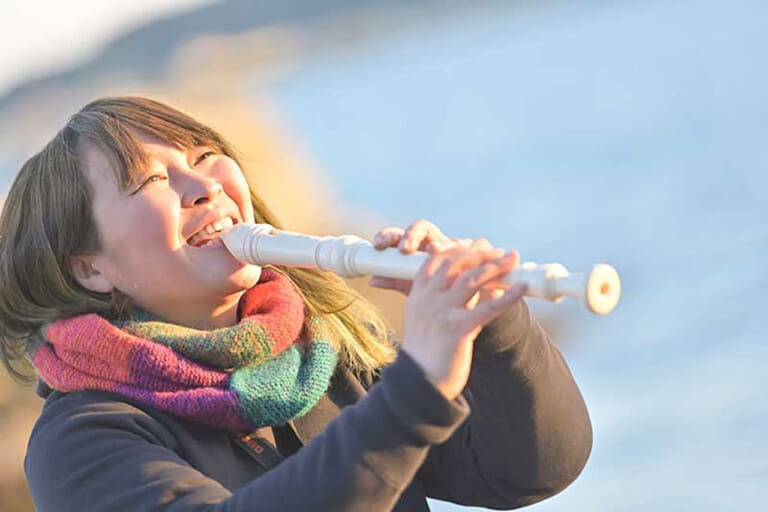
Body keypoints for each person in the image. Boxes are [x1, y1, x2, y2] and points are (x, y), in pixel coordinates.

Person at [0, 96, 592, 511]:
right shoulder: (81, 440)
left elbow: (522, 473)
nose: (203, 185)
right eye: (149, 181)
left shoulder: (319, 355)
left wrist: (493, 327)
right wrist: (420, 388)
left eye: (204, 155)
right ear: (90, 267)